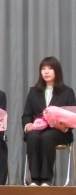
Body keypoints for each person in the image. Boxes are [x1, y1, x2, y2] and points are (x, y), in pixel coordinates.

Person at [22, 56, 76, 186]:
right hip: (37, 129)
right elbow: (27, 114)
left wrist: (64, 127)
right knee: (33, 136)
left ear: (57, 71)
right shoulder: (33, 91)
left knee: (47, 137)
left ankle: (46, 179)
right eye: (43, 69)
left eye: (50, 69)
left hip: (59, 132)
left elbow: (72, 116)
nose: (46, 72)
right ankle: (35, 179)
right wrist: (28, 125)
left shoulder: (68, 92)